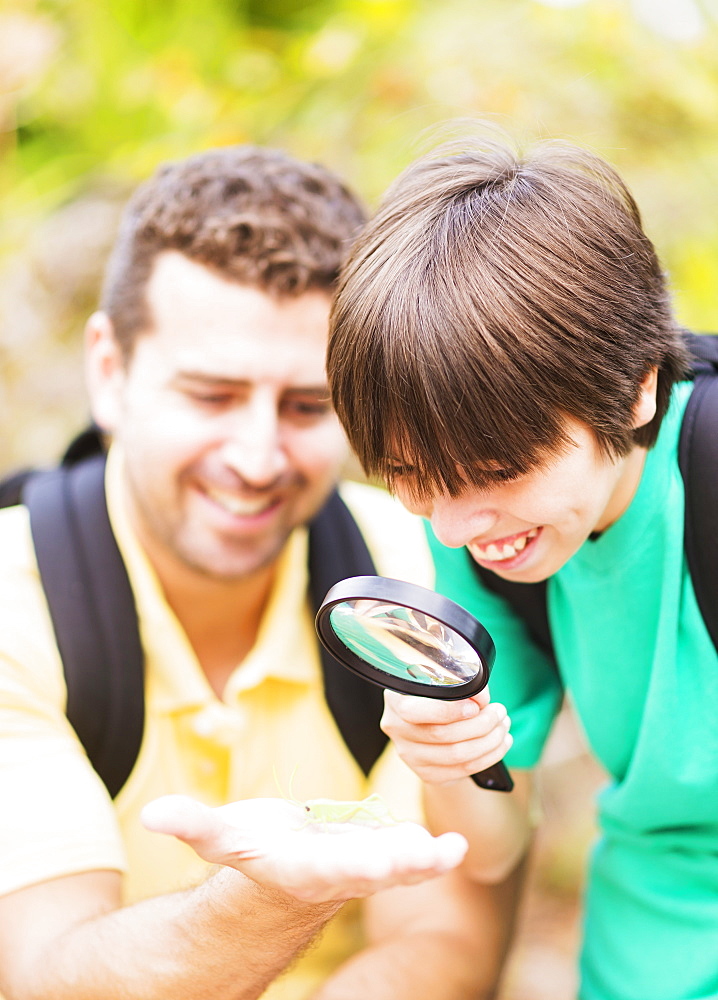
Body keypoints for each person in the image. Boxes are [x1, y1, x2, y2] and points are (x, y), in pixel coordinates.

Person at [0, 146, 518, 1000]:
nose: (256, 456)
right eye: (210, 395)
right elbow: (47, 974)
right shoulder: (18, 605)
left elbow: (450, 939)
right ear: (109, 370)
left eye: (309, 406)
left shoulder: (419, 565)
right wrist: (278, 897)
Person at [327, 128, 718, 1000]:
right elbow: (493, 845)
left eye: (501, 469)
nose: (460, 525)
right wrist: (448, 757)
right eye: (416, 478)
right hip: (646, 946)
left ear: (638, 385)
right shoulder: (473, 531)